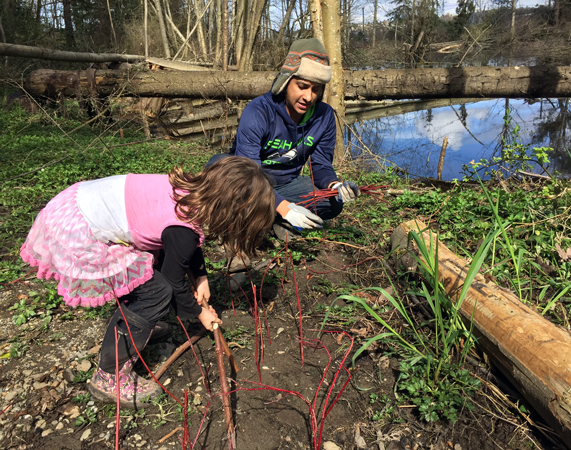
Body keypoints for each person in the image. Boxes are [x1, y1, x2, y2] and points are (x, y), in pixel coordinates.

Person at [19, 157, 275, 408]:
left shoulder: (189, 191)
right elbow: (174, 277)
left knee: (148, 278)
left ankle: (142, 325)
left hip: (74, 201)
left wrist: (201, 278)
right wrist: (199, 314)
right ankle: (109, 375)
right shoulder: (182, 231)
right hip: (76, 228)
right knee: (157, 291)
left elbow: (185, 240)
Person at [206, 38, 360, 239]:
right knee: (218, 169)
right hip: (247, 182)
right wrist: (285, 208)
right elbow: (248, 172)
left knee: (332, 202)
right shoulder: (258, 111)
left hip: (286, 185)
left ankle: (261, 217)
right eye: (302, 86)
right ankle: (272, 216)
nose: (308, 97)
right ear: (286, 81)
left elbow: (321, 165)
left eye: (316, 89)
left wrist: (335, 186)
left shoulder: (324, 117)